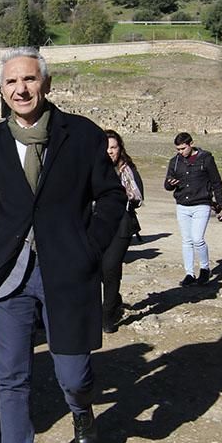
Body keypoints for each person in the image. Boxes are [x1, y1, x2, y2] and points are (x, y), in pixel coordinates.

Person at [0, 48, 126, 443]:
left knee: (72, 373)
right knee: (10, 378)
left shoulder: (84, 135)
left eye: (29, 80)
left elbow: (111, 197)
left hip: (66, 274)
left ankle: (81, 408)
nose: (21, 89)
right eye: (11, 82)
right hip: (10, 277)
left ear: (46, 84)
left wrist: (88, 250)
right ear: (1, 89)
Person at [164, 132, 222, 286]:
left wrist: (220, 205)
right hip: (182, 205)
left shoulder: (206, 159)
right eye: (178, 149)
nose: (180, 152)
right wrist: (170, 184)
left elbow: (216, 182)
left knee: (198, 239)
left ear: (191, 144)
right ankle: (189, 273)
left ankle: (204, 269)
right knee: (186, 240)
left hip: (201, 204)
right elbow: (166, 185)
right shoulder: (175, 162)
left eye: (183, 148)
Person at [101, 130, 144, 334]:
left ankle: (108, 315)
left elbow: (138, 196)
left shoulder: (126, 170)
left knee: (110, 266)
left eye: (113, 147)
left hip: (122, 225)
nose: (110, 151)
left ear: (120, 148)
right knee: (100, 269)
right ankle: (115, 300)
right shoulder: (93, 168)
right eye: (107, 147)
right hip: (96, 225)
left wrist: (119, 193)